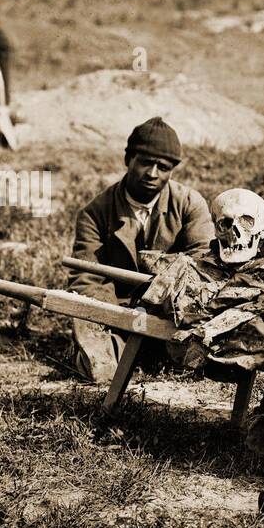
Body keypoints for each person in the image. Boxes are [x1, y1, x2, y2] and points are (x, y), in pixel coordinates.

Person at [67, 117, 214, 383]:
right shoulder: (95, 213)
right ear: (128, 159)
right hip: (118, 315)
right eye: (145, 162)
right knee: (100, 362)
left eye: (163, 167)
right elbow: (85, 279)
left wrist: (160, 307)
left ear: (172, 170)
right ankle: (109, 351)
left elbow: (204, 267)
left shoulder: (190, 205)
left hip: (172, 315)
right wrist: (123, 316)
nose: (152, 173)